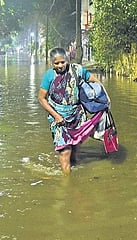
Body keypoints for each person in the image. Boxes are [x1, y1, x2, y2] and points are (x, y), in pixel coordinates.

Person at [38, 47, 110, 175]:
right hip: (59, 118)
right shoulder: (49, 76)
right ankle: (67, 183)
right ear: (51, 63)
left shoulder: (77, 70)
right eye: (57, 63)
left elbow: (93, 80)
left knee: (75, 148)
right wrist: (56, 116)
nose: (60, 65)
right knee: (65, 151)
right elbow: (42, 98)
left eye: (63, 62)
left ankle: (74, 175)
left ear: (67, 60)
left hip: (77, 115)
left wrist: (103, 97)